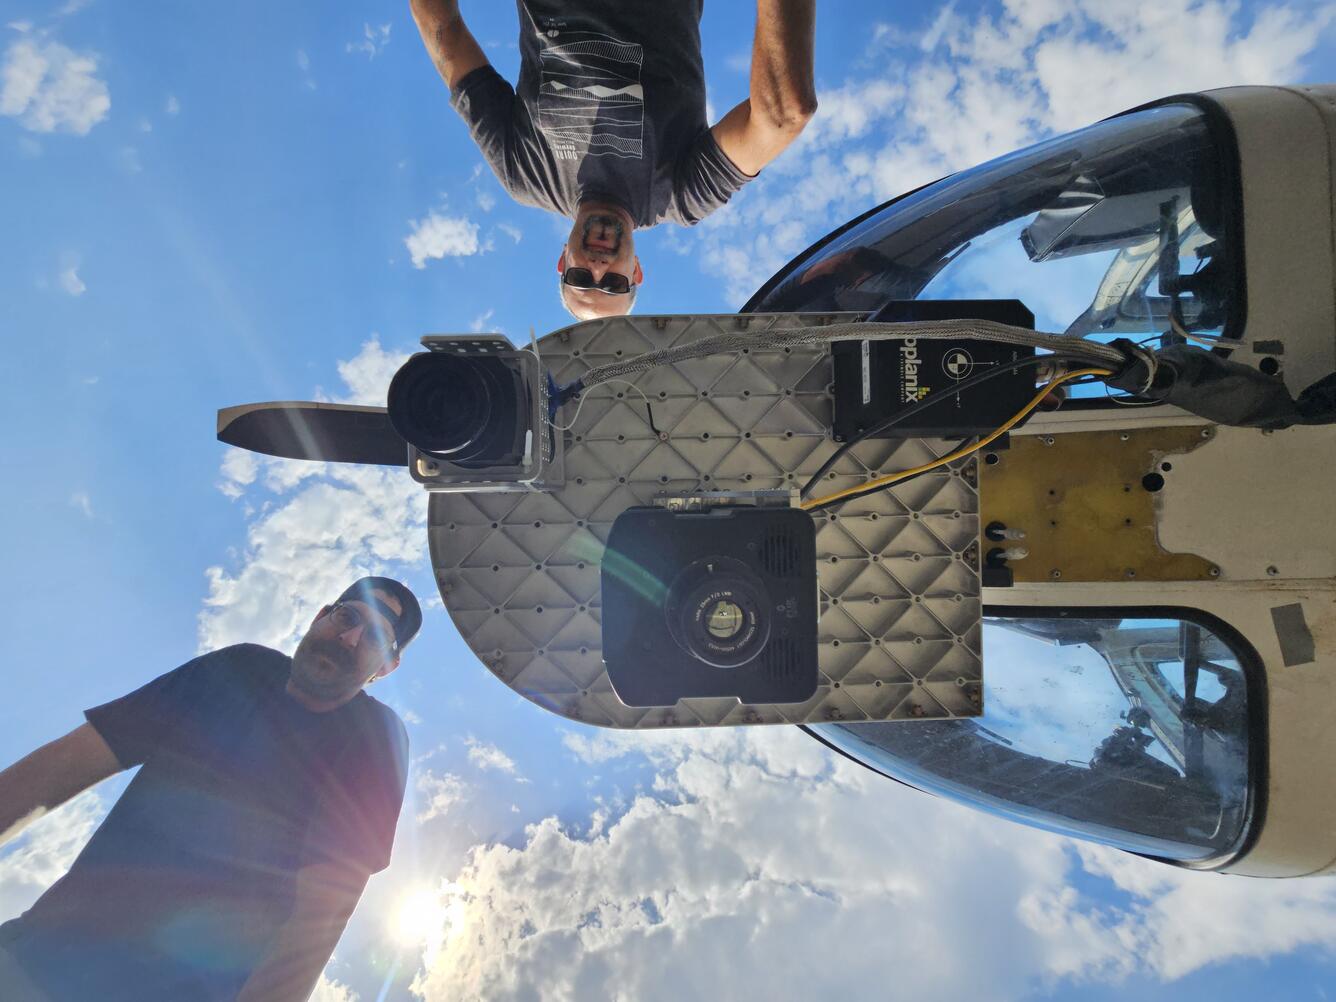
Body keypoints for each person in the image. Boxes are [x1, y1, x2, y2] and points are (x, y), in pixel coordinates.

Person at [0, 577, 422, 1002]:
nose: (349, 638)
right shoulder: (239, 668)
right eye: (346, 616)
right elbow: (70, 762)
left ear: (385, 667)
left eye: (376, 637)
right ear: (320, 616)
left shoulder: (374, 738)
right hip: (35, 957)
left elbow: (320, 915)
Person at [410, 0, 817, 319]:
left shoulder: (524, 173)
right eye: (613, 285)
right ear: (635, 271)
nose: (598, 267)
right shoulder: (682, 194)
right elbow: (781, 117)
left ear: (562, 261)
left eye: (581, 278)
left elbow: (445, 36)